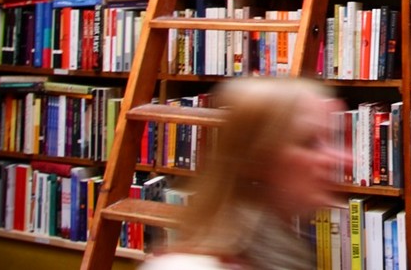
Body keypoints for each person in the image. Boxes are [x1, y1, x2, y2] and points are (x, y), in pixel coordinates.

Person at [139, 77, 347, 270]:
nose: (339, 159)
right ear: (258, 159)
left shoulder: (285, 249)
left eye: (332, 138)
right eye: (309, 142)